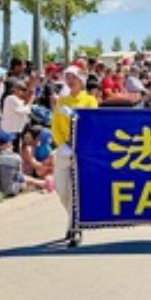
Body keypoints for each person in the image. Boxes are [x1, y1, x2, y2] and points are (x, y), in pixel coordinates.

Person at [51, 65, 99, 245]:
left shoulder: (89, 100)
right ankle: (72, 220)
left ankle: (75, 227)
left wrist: (76, 117)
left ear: (81, 80)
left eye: (73, 77)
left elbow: (92, 123)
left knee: (76, 190)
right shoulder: (61, 101)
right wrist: (62, 145)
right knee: (62, 189)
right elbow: (55, 125)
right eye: (67, 77)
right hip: (65, 149)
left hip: (82, 151)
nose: (70, 80)